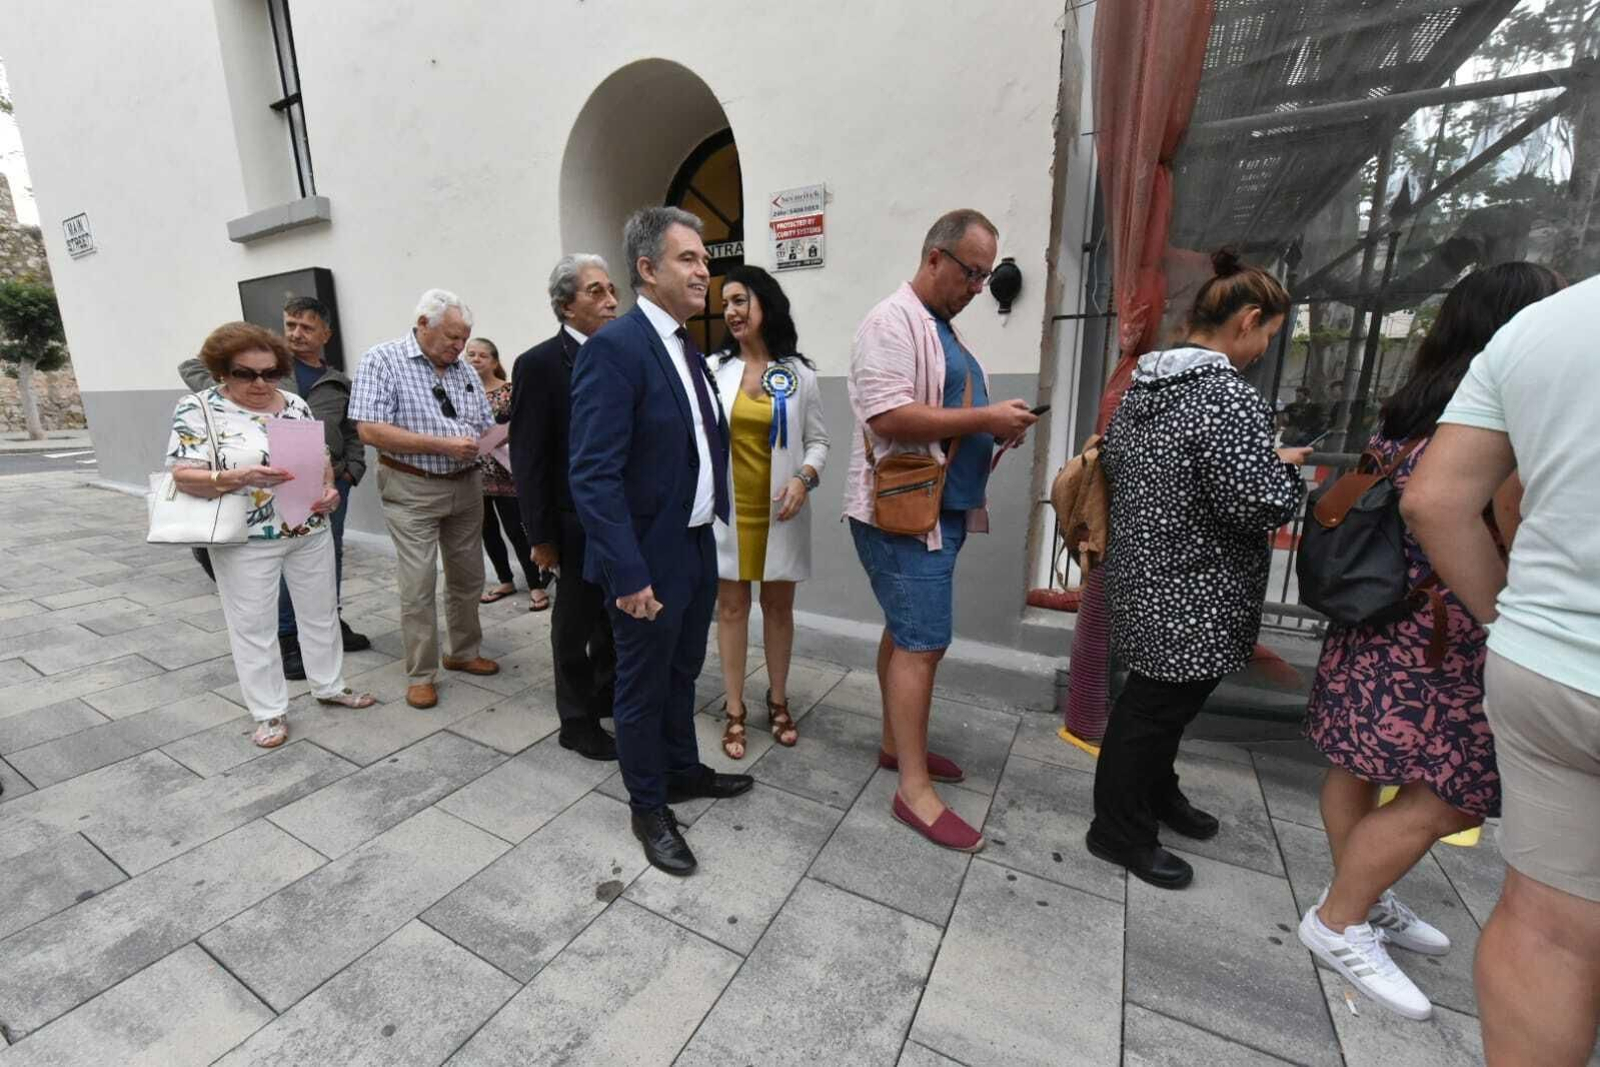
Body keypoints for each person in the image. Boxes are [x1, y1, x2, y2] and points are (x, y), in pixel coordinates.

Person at [1296, 264, 1561, 1021]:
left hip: (1376, 614)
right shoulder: (1496, 413)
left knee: (1355, 765)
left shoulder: (1412, 401)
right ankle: (1342, 915)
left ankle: (1361, 894)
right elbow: (1497, 518)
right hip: (1442, 633)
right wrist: (1501, 609)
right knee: (1449, 794)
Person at [1403, 273, 1600, 1066]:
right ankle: (1346, 910)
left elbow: (1439, 499)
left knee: (1548, 929)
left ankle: (1350, 908)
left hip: (1544, 660)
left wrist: (1505, 615)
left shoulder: (1544, 328)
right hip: (1483, 634)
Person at [1084, 248, 1310, 889]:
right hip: (1194, 588)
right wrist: (1285, 473)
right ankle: (1118, 831)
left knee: (1156, 708)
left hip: (1144, 573)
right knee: (1152, 712)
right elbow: (1253, 501)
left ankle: (1158, 796)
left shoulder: (1146, 386)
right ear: (1247, 320)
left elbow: (1134, 468)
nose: (1266, 348)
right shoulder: (1227, 397)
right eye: (1268, 333)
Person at [843, 208, 1038, 852]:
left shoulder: (938, 327)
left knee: (909, 635)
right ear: (935, 258)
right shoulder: (890, 322)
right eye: (972, 273)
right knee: (923, 643)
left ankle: (896, 748)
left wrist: (991, 424)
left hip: (934, 513)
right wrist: (985, 417)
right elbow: (888, 415)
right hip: (901, 516)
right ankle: (914, 791)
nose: (979, 288)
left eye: (986, 276)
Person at [568, 206, 754, 876]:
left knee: (682, 669)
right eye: (688, 259)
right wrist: (627, 573)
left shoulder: (688, 350)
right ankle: (648, 805)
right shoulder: (615, 350)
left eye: (705, 258)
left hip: (697, 543)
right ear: (647, 269)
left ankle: (680, 769)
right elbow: (592, 474)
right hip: (646, 555)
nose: (704, 270)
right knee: (642, 683)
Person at [165, 323, 375, 747]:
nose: (260, 383)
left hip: (309, 527)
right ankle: (269, 712)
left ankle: (330, 686)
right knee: (253, 626)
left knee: (320, 613)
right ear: (223, 371)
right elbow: (183, 475)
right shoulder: (198, 408)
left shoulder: (295, 404)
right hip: (246, 537)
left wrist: (330, 489)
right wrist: (240, 476)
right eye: (246, 373)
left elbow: (320, 459)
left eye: (270, 372)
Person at [348, 289, 499, 711]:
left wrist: (488, 441)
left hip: (467, 486)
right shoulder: (382, 360)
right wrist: (442, 445)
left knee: (469, 577)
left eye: (465, 339)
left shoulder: (462, 370)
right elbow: (370, 430)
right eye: (452, 337)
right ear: (422, 325)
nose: (459, 347)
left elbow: (482, 422)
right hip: (412, 486)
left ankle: (463, 652)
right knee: (417, 584)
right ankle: (421, 673)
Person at [712, 265, 829, 758]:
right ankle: (734, 708)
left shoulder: (800, 374)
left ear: (765, 303)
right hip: (730, 510)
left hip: (781, 510)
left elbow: (818, 441)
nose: (732, 311)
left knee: (779, 609)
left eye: (741, 300)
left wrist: (804, 478)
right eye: (727, 304)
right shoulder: (713, 370)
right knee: (732, 609)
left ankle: (778, 699)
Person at [509, 253, 620, 761]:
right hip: (571, 521)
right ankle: (576, 721)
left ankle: (606, 693)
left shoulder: (623, 353)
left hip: (619, 516)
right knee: (574, 623)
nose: (611, 300)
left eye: (612, 289)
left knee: (614, 617)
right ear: (564, 305)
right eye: (596, 292)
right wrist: (540, 536)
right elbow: (528, 454)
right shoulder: (538, 364)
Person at [464, 337, 549, 611]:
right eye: (471, 354)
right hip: (476, 474)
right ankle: (505, 579)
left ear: (495, 361)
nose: (475, 359)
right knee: (486, 531)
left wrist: (505, 435)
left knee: (517, 530)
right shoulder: (463, 392)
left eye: (482, 355)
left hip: (509, 472)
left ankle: (535, 584)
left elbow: (527, 424)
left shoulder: (510, 391)